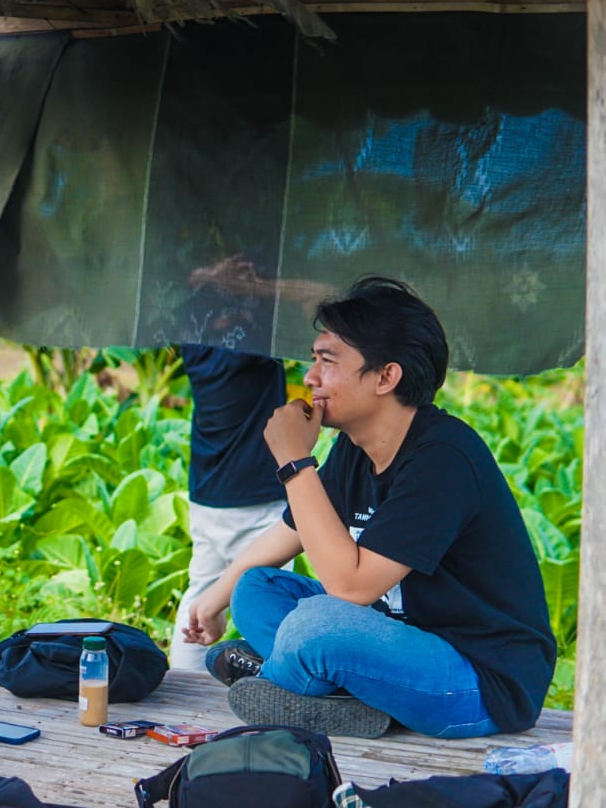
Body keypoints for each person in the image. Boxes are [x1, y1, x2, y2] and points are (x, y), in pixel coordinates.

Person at [185, 276, 554, 739]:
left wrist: (295, 462)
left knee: (317, 625)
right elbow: (288, 534)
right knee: (255, 589)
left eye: (327, 361)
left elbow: (350, 588)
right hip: (394, 643)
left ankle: (289, 682)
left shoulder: (443, 458)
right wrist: (213, 602)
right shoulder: (356, 447)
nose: (310, 377)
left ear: (386, 376)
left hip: (478, 680)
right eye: (313, 359)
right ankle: (332, 690)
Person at [169, 344, 287, 669]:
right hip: (253, 496)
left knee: (203, 591)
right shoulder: (248, 344)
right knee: (271, 599)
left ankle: (182, 681)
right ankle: (279, 688)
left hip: (208, 490)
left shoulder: (198, 344)